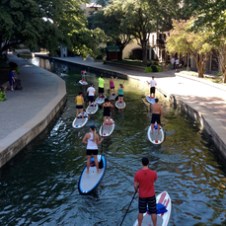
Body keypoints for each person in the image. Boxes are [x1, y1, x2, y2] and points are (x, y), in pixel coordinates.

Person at [134, 157, 158, 226]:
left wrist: (136, 190)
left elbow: (135, 185)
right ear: (148, 163)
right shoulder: (154, 173)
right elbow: (154, 181)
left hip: (142, 196)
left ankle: (139, 225)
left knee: (141, 212)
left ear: (141, 163)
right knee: (153, 212)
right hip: (151, 195)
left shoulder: (137, 174)